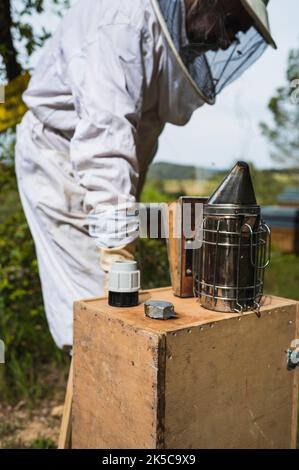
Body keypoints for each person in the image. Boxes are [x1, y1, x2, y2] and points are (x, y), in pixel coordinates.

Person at [15, 0, 276, 349]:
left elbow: (130, 141)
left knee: (115, 309)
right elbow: (105, 137)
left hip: (104, 166)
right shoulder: (121, 21)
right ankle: (97, 391)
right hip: (60, 161)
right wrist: (117, 249)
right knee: (93, 312)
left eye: (238, 33)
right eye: (232, 23)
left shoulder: (158, 35)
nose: (228, 42)